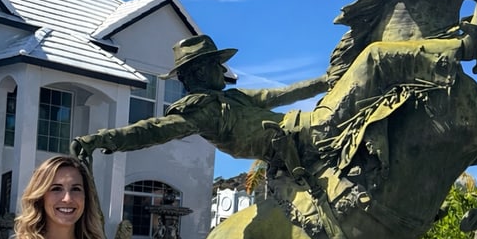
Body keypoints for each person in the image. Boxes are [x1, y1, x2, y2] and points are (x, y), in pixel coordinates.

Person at [71, 34, 327, 187]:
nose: (224, 71)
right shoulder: (202, 112)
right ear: (202, 72)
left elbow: (284, 93)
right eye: (217, 65)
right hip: (295, 138)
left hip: (299, 127)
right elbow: (153, 130)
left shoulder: (235, 97)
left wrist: (326, 81)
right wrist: (104, 139)